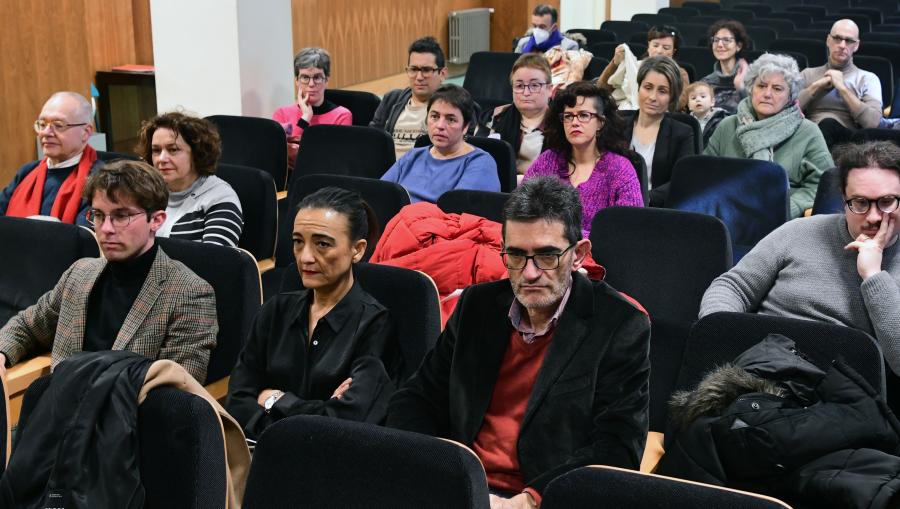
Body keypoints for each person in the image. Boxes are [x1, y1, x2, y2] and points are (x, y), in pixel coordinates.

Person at [387, 177, 651, 509]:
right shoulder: (475, 306)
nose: (529, 273)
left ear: (579, 255)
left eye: (547, 256)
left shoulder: (620, 324)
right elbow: (416, 399)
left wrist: (529, 501)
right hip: (457, 485)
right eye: (515, 255)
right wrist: (440, 472)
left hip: (547, 497)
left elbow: (617, 448)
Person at [0, 160, 218, 382]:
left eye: (121, 216)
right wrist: (1, 353)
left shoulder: (189, 292)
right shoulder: (79, 273)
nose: (105, 229)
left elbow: (179, 387)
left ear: (156, 220)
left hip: (128, 413)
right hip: (60, 407)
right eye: (99, 215)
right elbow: (27, 326)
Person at [699, 140, 900, 375]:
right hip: (755, 370)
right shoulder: (798, 231)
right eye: (860, 203)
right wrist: (725, 336)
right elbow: (733, 286)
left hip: (836, 391)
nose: (874, 216)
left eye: (887, 202)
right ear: (844, 200)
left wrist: (873, 275)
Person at [226, 187, 399, 439]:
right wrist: (316, 410)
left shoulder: (375, 324)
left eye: (322, 244)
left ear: (357, 250)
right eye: (298, 242)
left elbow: (348, 422)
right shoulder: (276, 310)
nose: (305, 257)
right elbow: (238, 399)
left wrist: (274, 399)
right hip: (262, 454)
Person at [705, 53, 833, 218]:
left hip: (780, 222)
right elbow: (706, 174)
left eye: (777, 88)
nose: (767, 94)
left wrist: (786, 209)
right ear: (751, 89)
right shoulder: (727, 126)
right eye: (761, 86)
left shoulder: (808, 132)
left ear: (790, 96)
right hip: (726, 215)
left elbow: (823, 185)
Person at [524, 81, 643, 238]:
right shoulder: (547, 161)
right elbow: (520, 210)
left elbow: (629, 230)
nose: (574, 122)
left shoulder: (620, 169)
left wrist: (564, 235)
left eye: (584, 115)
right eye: (568, 116)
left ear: (600, 122)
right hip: (543, 254)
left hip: (600, 259)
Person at [136, 112, 244, 247]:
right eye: (156, 150)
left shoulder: (220, 198)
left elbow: (216, 262)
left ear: (197, 153)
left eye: (173, 149)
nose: (161, 159)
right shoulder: (146, 192)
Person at [381, 84, 499, 203]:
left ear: (465, 126)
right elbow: (380, 194)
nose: (440, 126)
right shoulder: (412, 156)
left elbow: (458, 212)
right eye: (435, 116)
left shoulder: (480, 163)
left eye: (451, 119)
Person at [0, 92, 102, 225]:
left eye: (58, 125)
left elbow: (86, 237)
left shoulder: (100, 179)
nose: (45, 133)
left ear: (86, 132)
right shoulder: (27, 172)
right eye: (42, 124)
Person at [621, 57, 695, 207]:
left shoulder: (683, 133)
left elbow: (683, 180)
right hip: (617, 206)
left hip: (659, 211)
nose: (652, 97)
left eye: (662, 91)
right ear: (639, 87)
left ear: (672, 97)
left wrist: (644, 198)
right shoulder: (617, 125)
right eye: (647, 87)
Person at [798, 19, 882, 146]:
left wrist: (842, 88)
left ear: (856, 46)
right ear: (828, 40)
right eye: (837, 38)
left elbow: (872, 122)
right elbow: (785, 111)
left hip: (848, 142)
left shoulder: (868, 78)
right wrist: (816, 87)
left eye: (849, 41)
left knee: (828, 124)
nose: (842, 45)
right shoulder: (807, 74)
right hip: (809, 135)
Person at [476, 53, 553, 177]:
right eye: (519, 86)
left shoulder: (562, 125)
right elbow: (479, 160)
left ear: (549, 89)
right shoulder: (493, 118)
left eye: (534, 85)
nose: (526, 92)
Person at [370, 36, 448, 159]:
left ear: (442, 74)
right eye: (413, 69)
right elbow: (372, 140)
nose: (419, 77)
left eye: (426, 70)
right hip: (387, 172)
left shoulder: (453, 108)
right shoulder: (392, 99)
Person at [273, 47, 353, 163]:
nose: (311, 84)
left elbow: (335, 158)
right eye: (305, 77)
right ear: (296, 81)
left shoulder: (342, 116)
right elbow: (286, 157)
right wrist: (305, 118)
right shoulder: (281, 114)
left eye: (317, 77)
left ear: (326, 80)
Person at [596, 25, 691, 110]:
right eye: (655, 45)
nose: (659, 51)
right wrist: (615, 64)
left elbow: (679, 102)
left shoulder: (680, 73)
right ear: (649, 47)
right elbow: (601, 89)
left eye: (666, 48)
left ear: (673, 51)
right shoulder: (634, 66)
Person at [701, 19, 750, 114]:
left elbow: (755, 112)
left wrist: (741, 88)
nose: (719, 45)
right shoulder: (706, 82)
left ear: (738, 46)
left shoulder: (750, 78)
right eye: (716, 40)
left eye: (726, 40)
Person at [686, 81, 727, 148]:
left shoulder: (721, 119)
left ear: (712, 102)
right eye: (693, 98)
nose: (698, 100)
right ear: (689, 106)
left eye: (703, 96)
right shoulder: (686, 123)